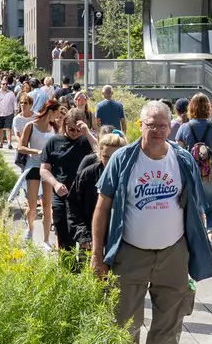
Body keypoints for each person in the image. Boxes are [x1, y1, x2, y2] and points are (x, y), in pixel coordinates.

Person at [90, 100, 212, 344]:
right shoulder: (122, 159)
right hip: (130, 252)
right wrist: (97, 254)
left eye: (162, 125)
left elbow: (195, 205)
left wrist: (202, 244)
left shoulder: (182, 160)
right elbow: (102, 207)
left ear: (169, 126)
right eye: (151, 125)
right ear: (140, 125)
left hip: (173, 252)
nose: (158, 131)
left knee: (169, 324)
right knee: (124, 323)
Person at [37, 110, 95, 253]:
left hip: (83, 197)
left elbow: (101, 152)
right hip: (62, 195)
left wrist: (87, 133)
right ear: (64, 125)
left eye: (78, 130)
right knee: (64, 241)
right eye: (71, 130)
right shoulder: (54, 142)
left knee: (85, 241)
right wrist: (55, 184)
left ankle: (82, 272)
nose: (75, 133)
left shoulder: (86, 140)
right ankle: (66, 270)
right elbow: (44, 169)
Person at [176, 92, 212, 237]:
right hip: (210, 173)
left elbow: (178, 154)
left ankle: (197, 236)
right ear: (208, 108)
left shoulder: (184, 128)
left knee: (193, 205)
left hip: (190, 174)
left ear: (191, 108)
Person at [65, 130, 127, 255]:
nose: (111, 162)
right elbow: (73, 206)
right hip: (91, 242)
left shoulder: (132, 176)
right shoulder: (87, 175)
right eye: (106, 157)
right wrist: (83, 235)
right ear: (99, 154)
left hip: (124, 243)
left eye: (116, 158)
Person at [11, 96, 47, 242]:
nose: (23, 105)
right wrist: (24, 147)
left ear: (31, 105)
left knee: (46, 199)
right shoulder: (17, 119)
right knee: (27, 184)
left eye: (25, 103)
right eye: (21, 103)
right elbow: (18, 135)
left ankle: (45, 238)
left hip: (43, 161)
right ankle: (30, 200)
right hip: (27, 157)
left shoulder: (36, 118)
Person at [0, 79, 18, 147]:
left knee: (8, 128)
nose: (5, 85)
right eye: (3, 84)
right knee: (0, 128)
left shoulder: (11, 93)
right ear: (0, 85)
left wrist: (15, 111)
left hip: (9, 113)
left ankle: (9, 143)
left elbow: (14, 103)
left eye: (6, 84)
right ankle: (1, 142)